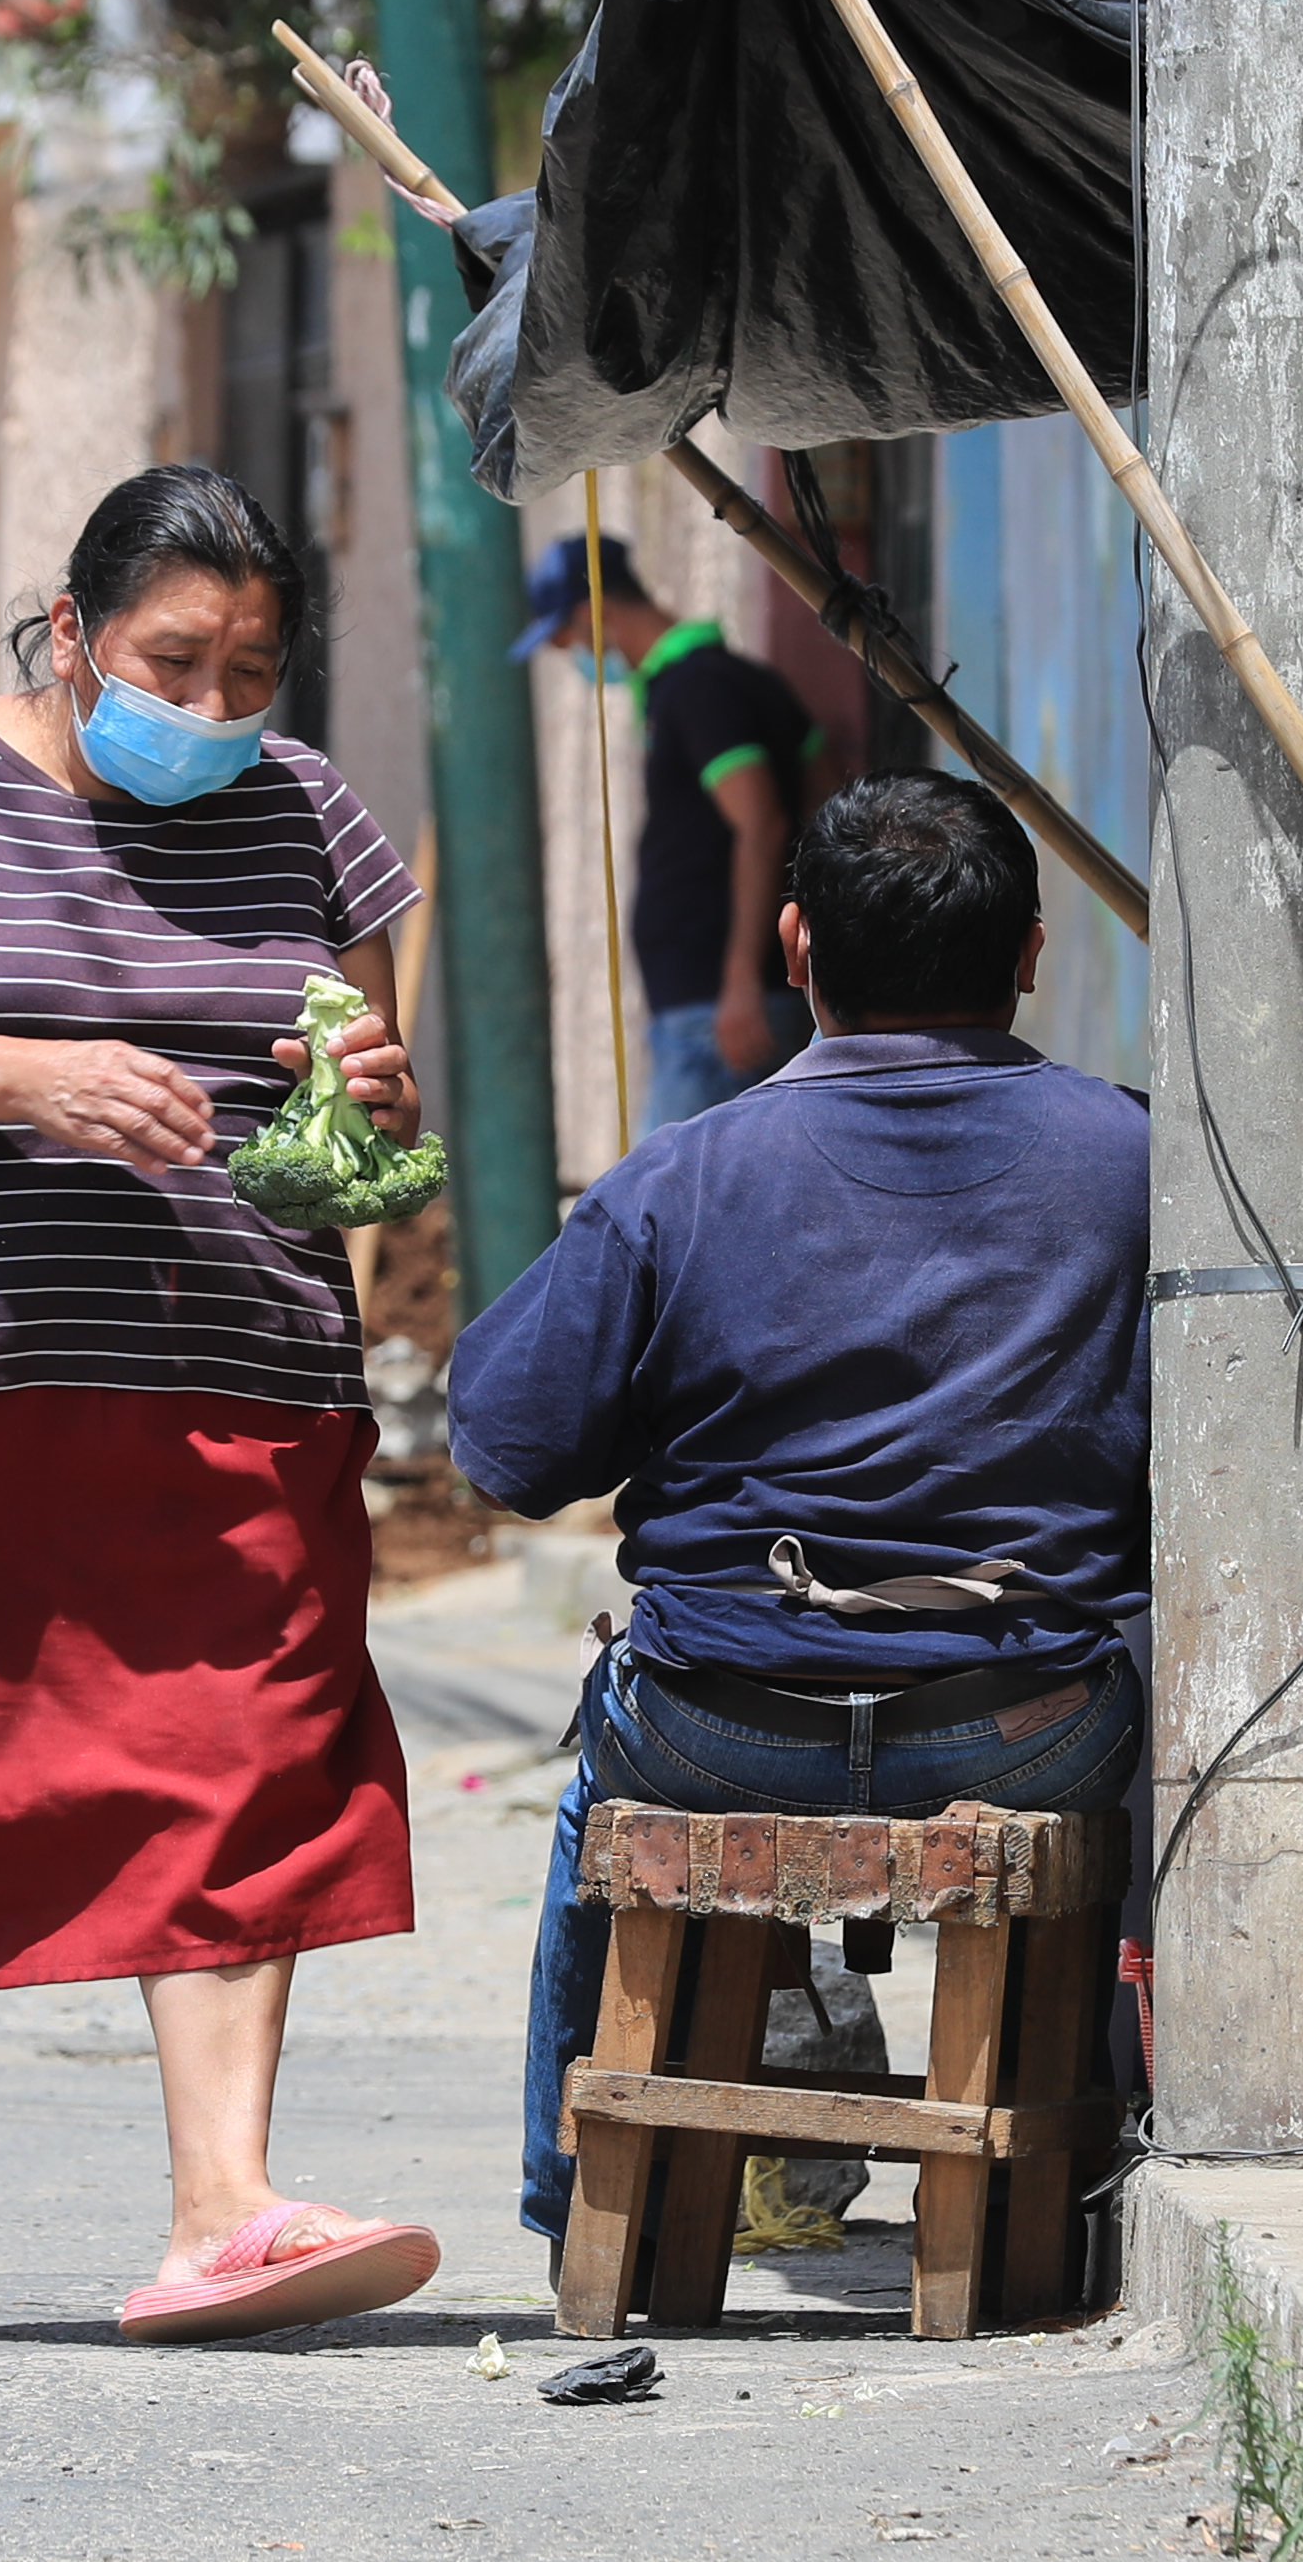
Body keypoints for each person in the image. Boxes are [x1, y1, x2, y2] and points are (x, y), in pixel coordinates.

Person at [0, 464, 445, 2348]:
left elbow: (361, 1122)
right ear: (70, 633)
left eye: (249, 672)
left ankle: (224, 2209)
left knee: (243, 1770)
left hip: (234, 1383)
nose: (211, 706)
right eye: (171, 661)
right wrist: (22, 1079)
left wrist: (365, 1109)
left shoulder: (315, 819)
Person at [448, 772, 1150, 2268]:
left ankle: (595, 2212)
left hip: (717, 1729)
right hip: (1025, 1725)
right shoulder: (1141, 1161)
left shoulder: (679, 1176)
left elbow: (509, 1448)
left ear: (791, 944)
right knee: (1151, 1736)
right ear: (1031, 953)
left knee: (594, 1802)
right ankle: (1065, 2198)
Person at [516, 535, 824, 1124]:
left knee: (667, 1183)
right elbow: (821, 779)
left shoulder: (698, 688)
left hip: (719, 1016)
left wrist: (740, 979)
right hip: (711, 1008)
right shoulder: (727, 681)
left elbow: (763, 821)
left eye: (565, 638)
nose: (569, 654)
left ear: (590, 614)